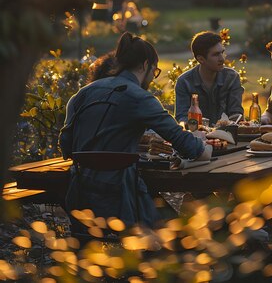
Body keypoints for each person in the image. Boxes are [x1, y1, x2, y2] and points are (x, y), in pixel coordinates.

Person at [59, 32, 211, 230]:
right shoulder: (140, 97)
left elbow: (65, 147)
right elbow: (184, 143)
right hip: (123, 198)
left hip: (80, 195)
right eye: (155, 72)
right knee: (180, 225)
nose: (153, 78)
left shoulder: (82, 94)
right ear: (146, 65)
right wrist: (204, 148)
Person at [175, 31, 244, 125]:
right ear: (201, 59)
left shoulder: (231, 78)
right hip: (196, 135)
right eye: (216, 54)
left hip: (227, 134)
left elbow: (236, 114)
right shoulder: (185, 82)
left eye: (222, 52)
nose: (222, 59)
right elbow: (182, 117)